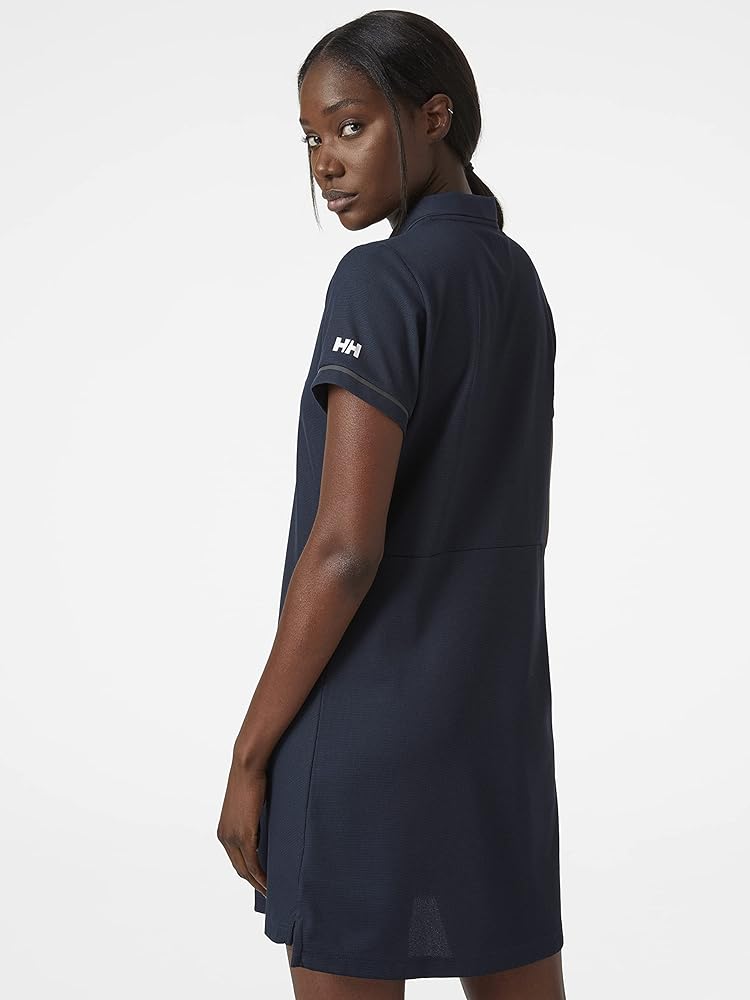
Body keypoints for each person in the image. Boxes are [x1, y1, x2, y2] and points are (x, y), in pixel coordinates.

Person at [217, 10, 566, 999]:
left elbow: (344, 551)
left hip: (368, 736)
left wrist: (249, 755)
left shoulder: (380, 279)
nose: (325, 163)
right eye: (311, 140)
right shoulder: (514, 278)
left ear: (433, 117)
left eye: (350, 126)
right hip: (493, 734)